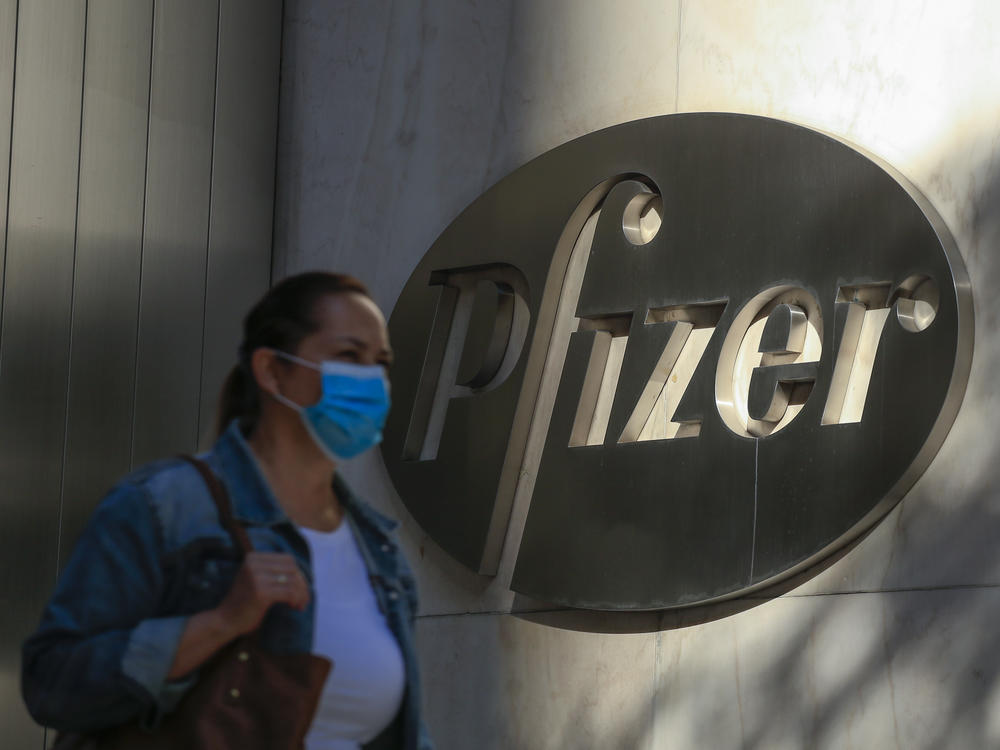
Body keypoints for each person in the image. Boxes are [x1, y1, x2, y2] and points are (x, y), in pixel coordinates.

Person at [21, 271, 433, 750]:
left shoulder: (379, 548)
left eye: (380, 363)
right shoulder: (165, 506)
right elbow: (52, 683)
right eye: (348, 356)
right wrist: (219, 623)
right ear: (272, 371)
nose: (371, 380)